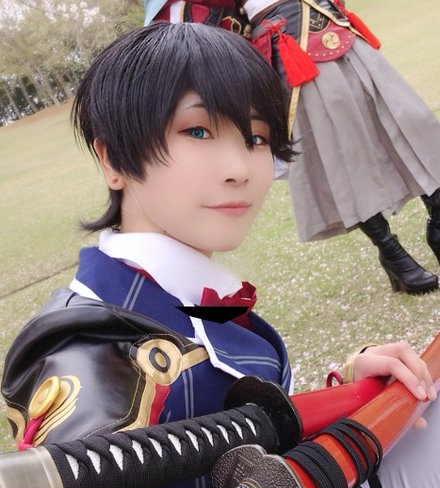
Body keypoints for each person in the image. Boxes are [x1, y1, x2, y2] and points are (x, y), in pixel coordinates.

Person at [1, 21, 440, 488]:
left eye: (256, 137)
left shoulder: (174, 289)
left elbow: (231, 415)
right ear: (114, 160)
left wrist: (343, 384)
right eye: (199, 132)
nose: (240, 168)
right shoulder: (93, 357)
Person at [146, 0, 440, 295]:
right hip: (290, 42)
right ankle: (391, 253)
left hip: (332, 20)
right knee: (339, 153)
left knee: (406, 120)